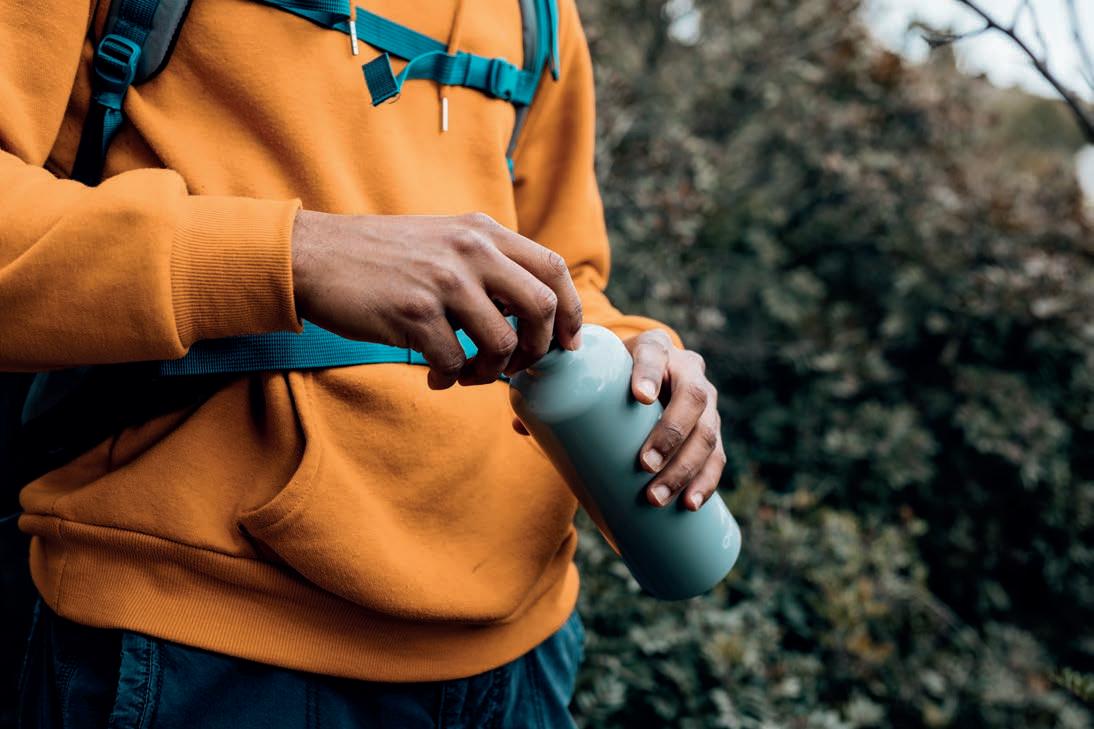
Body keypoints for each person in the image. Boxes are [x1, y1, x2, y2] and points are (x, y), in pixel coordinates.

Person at [0, 0, 726, 726]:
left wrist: (638, 352)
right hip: (197, 636)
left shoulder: (540, 13)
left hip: (523, 653)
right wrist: (297, 256)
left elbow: (565, 279)